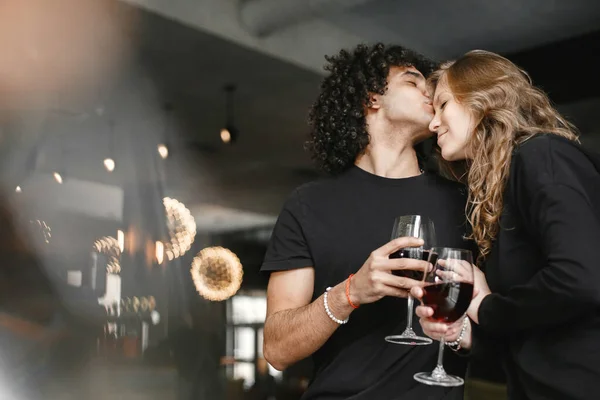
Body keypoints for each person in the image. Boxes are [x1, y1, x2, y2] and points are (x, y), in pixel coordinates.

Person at [261, 43, 471, 400]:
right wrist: (351, 292)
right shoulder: (308, 205)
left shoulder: (464, 202)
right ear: (372, 97)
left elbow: (505, 321)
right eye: (412, 81)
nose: (430, 93)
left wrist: (460, 328)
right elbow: (277, 350)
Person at [412, 49, 600, 400]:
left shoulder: (542, 155)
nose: (433, 123)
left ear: (482, 100)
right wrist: (462, 331)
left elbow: (580, 280)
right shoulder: (504, 186)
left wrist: (485, 307)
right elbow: (536, 329)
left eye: (443, 106)